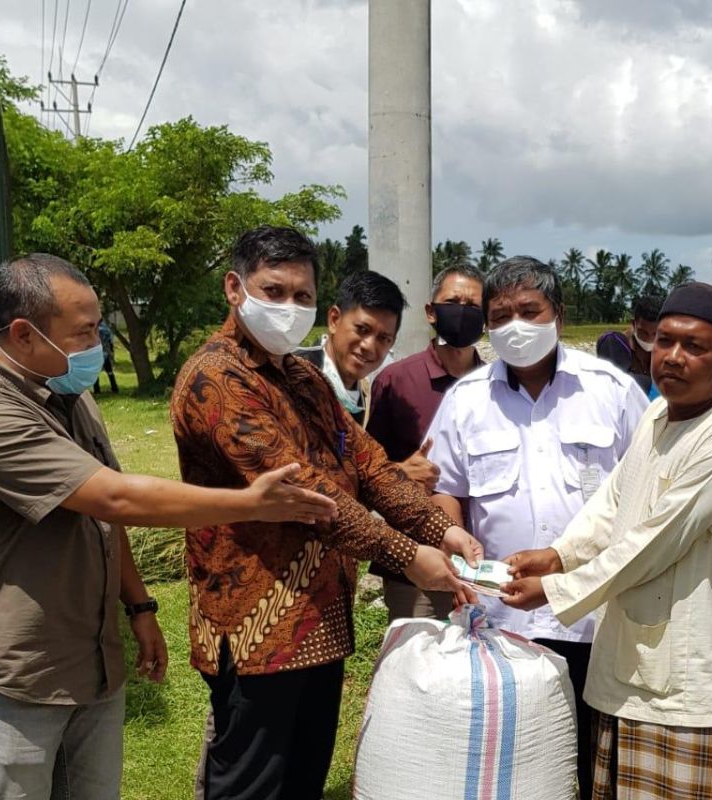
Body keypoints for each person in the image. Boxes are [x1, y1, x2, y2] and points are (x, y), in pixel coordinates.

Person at [0, 253, 337, 800]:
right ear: (25, 335)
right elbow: (116, 498)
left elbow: (102, 519)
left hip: (91, 662)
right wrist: (250, 503)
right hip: (15, 677)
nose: (98, 341)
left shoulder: (72, 397)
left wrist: (140, 606)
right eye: (84, 331)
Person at [171, 225, 483, 800]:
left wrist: (443, 531)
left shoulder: (302, 377)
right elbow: (312, 493)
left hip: (320, 620)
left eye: (302, 297)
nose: (290, 308)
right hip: (256, 629)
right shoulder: (215, 379)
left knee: (303, 781)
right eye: (275, 291)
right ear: (235, 289)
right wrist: (408, 555)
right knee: (250, 785)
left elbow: (369, 466)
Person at [502, 281, 712, 800]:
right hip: (632, 654)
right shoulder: (658, 414)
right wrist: (559, 554)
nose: (673, 357)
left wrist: (556, 590)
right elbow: (613, 502)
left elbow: (652, 542)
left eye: (695, 346)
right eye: (665, 341)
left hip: (692, 670)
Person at [426, 256, 649, 798]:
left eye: (530, 310)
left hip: (596, 619)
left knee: (599, 763)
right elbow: (445, 492)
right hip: (500, 617)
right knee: (517, 764)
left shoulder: (611, 391)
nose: (515, 326)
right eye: (500, 316)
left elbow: (648, 489)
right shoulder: (465, 400)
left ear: (560, 316)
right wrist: (458, 565)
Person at [365, 264, 486, 621]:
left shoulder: (498, 385)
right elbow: (364, 470)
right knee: (419, 663)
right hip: (417, 565)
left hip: (486, 561)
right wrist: (401, 472)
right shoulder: (397, 381)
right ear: (431, 312)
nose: (462, 311)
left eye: (473, 306)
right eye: (453, 302)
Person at [295, 269, 405, 427]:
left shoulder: (366, 396)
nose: (369, 346)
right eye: (362, 330)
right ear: (334, 320)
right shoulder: (292, 376)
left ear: (392, 343)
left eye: (383, 338)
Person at [596, 293, 664, 397]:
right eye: (643, 332)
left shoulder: (668, 348)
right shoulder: (617, 346)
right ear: (634, 324)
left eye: (655, 333)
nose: (649, 338)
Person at [93, 318, 118, 393]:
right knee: (109, 371)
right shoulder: (106, 329)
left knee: (95, 373)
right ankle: (114, 388)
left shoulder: (93, 330)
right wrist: (111, 351)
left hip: (96, 353)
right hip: (105, 353)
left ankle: (97, 390)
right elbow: (110, 341)